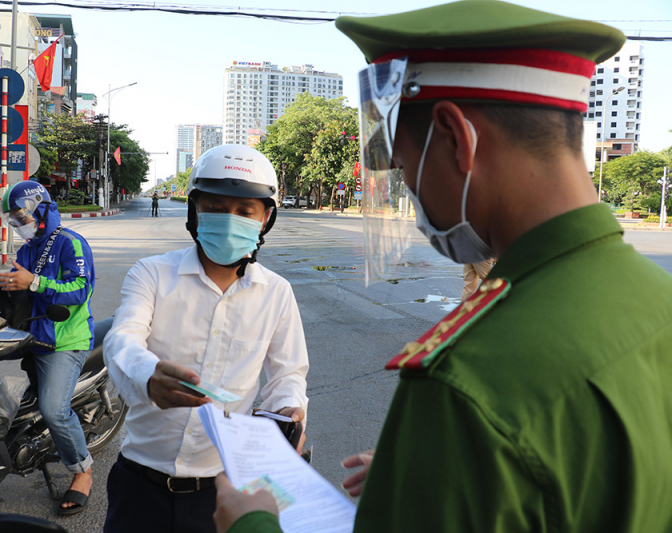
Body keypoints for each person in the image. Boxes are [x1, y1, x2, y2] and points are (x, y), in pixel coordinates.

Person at [214, 1, 672, 532]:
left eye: (405, 166)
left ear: (456, 138)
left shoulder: (467, 380)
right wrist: (443, 480)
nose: (411, 194)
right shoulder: (655, 299)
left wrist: (253, 525)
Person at [103, 144, 309, 533]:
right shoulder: (152, 274)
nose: (229, 220)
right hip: (140, 486)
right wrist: (148, 375)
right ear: (194, 210)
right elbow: (122, 340)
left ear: (265, 219)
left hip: (223, 493)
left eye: (245, 211)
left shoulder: (277, 293)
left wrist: (288, 410)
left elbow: (288, 375)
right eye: (215, 207)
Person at [0, 181, 97, 516]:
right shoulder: (27, 250)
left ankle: (82, 471)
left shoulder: (70, 243)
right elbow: (18, 293)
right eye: (13, 219)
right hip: (33, 335)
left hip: (66, 341)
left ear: (42, 209)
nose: (17, 223)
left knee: (54, 409)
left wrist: (36, 282)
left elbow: (80, 289)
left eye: (21, 216)